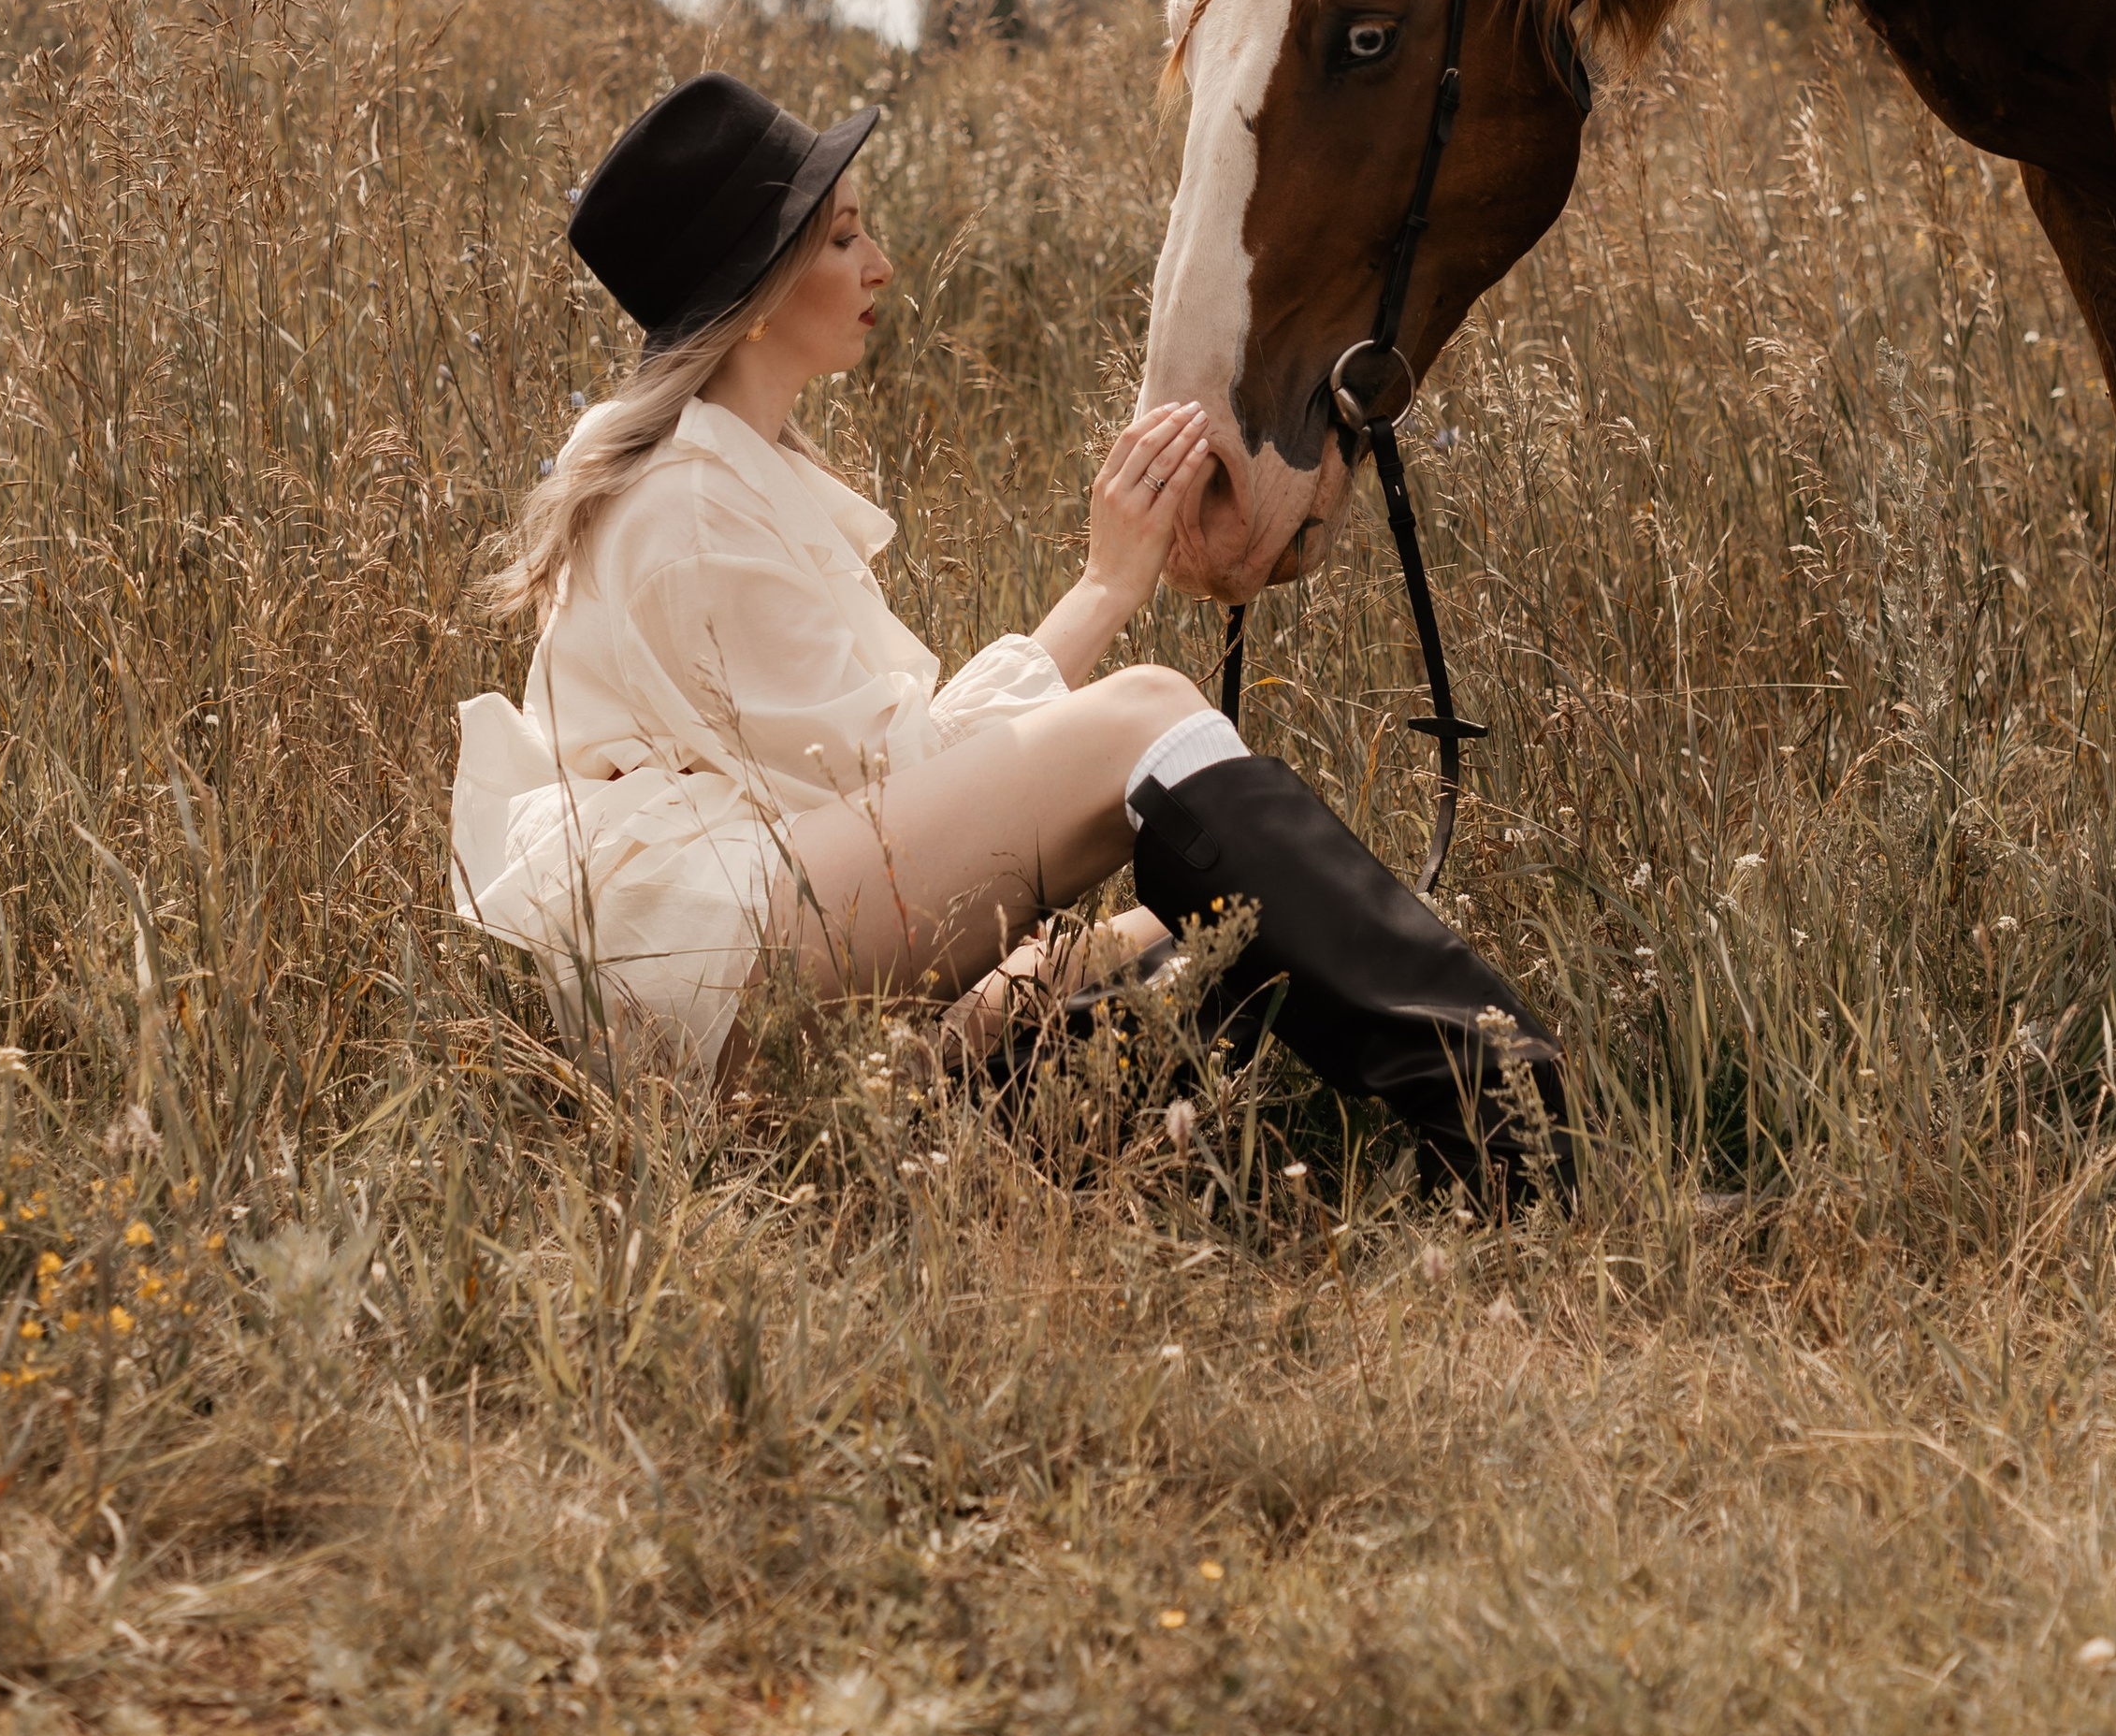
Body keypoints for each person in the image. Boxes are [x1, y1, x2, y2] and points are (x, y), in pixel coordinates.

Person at [450, 71, 1571, 1202]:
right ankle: (1533, 1138)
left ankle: (959, 1140)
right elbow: (902, 797)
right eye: (842, 239)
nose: (879, 262)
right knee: (1144, 713)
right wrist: (1104, 586)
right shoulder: (692, 509)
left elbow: (881, 802)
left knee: (1218, 933)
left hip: (738, 964)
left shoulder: (723, 476)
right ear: (752, 291)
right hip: (720, 972)